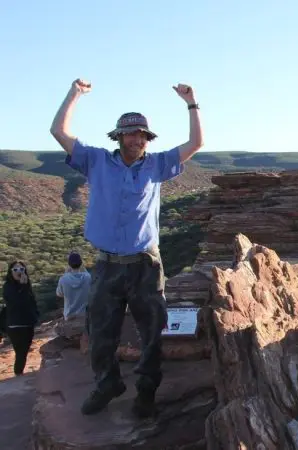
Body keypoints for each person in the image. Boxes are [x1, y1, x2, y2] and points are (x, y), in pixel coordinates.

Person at [49, 78, 204, 418]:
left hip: (146, 265)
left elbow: (196, 142)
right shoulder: (97, 161)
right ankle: (108, 383)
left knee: (152, 331)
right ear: (119, 136)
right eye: (131, 133)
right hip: (107, 264)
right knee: (100, 331)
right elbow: (58, 131)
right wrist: (75, 94)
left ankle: (146, 391)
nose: (137, 139)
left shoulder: (157, 164)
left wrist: (191, 103)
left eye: (142, 135)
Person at [2, 261, 40, 376]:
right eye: (15, 269)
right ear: (11, 272)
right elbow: (17, 302)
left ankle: (19, 373)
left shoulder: (26, 284)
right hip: (15, 325)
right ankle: (18, 375)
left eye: (21, 269)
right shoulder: (8, 286)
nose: (19, 272)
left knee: (23, 352)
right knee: (21, 352)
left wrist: (36, 315)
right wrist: (23, 287)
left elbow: (31, 301)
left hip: (28, 323)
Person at [56, 252, 91, 320]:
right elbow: (87, 275)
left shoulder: (63, 279)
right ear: (81, 263)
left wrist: (66, 273)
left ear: (69, 264)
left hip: (69, 315)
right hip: (84, 314)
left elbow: (59, 294)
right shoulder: (88, 277)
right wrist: (82, 267)